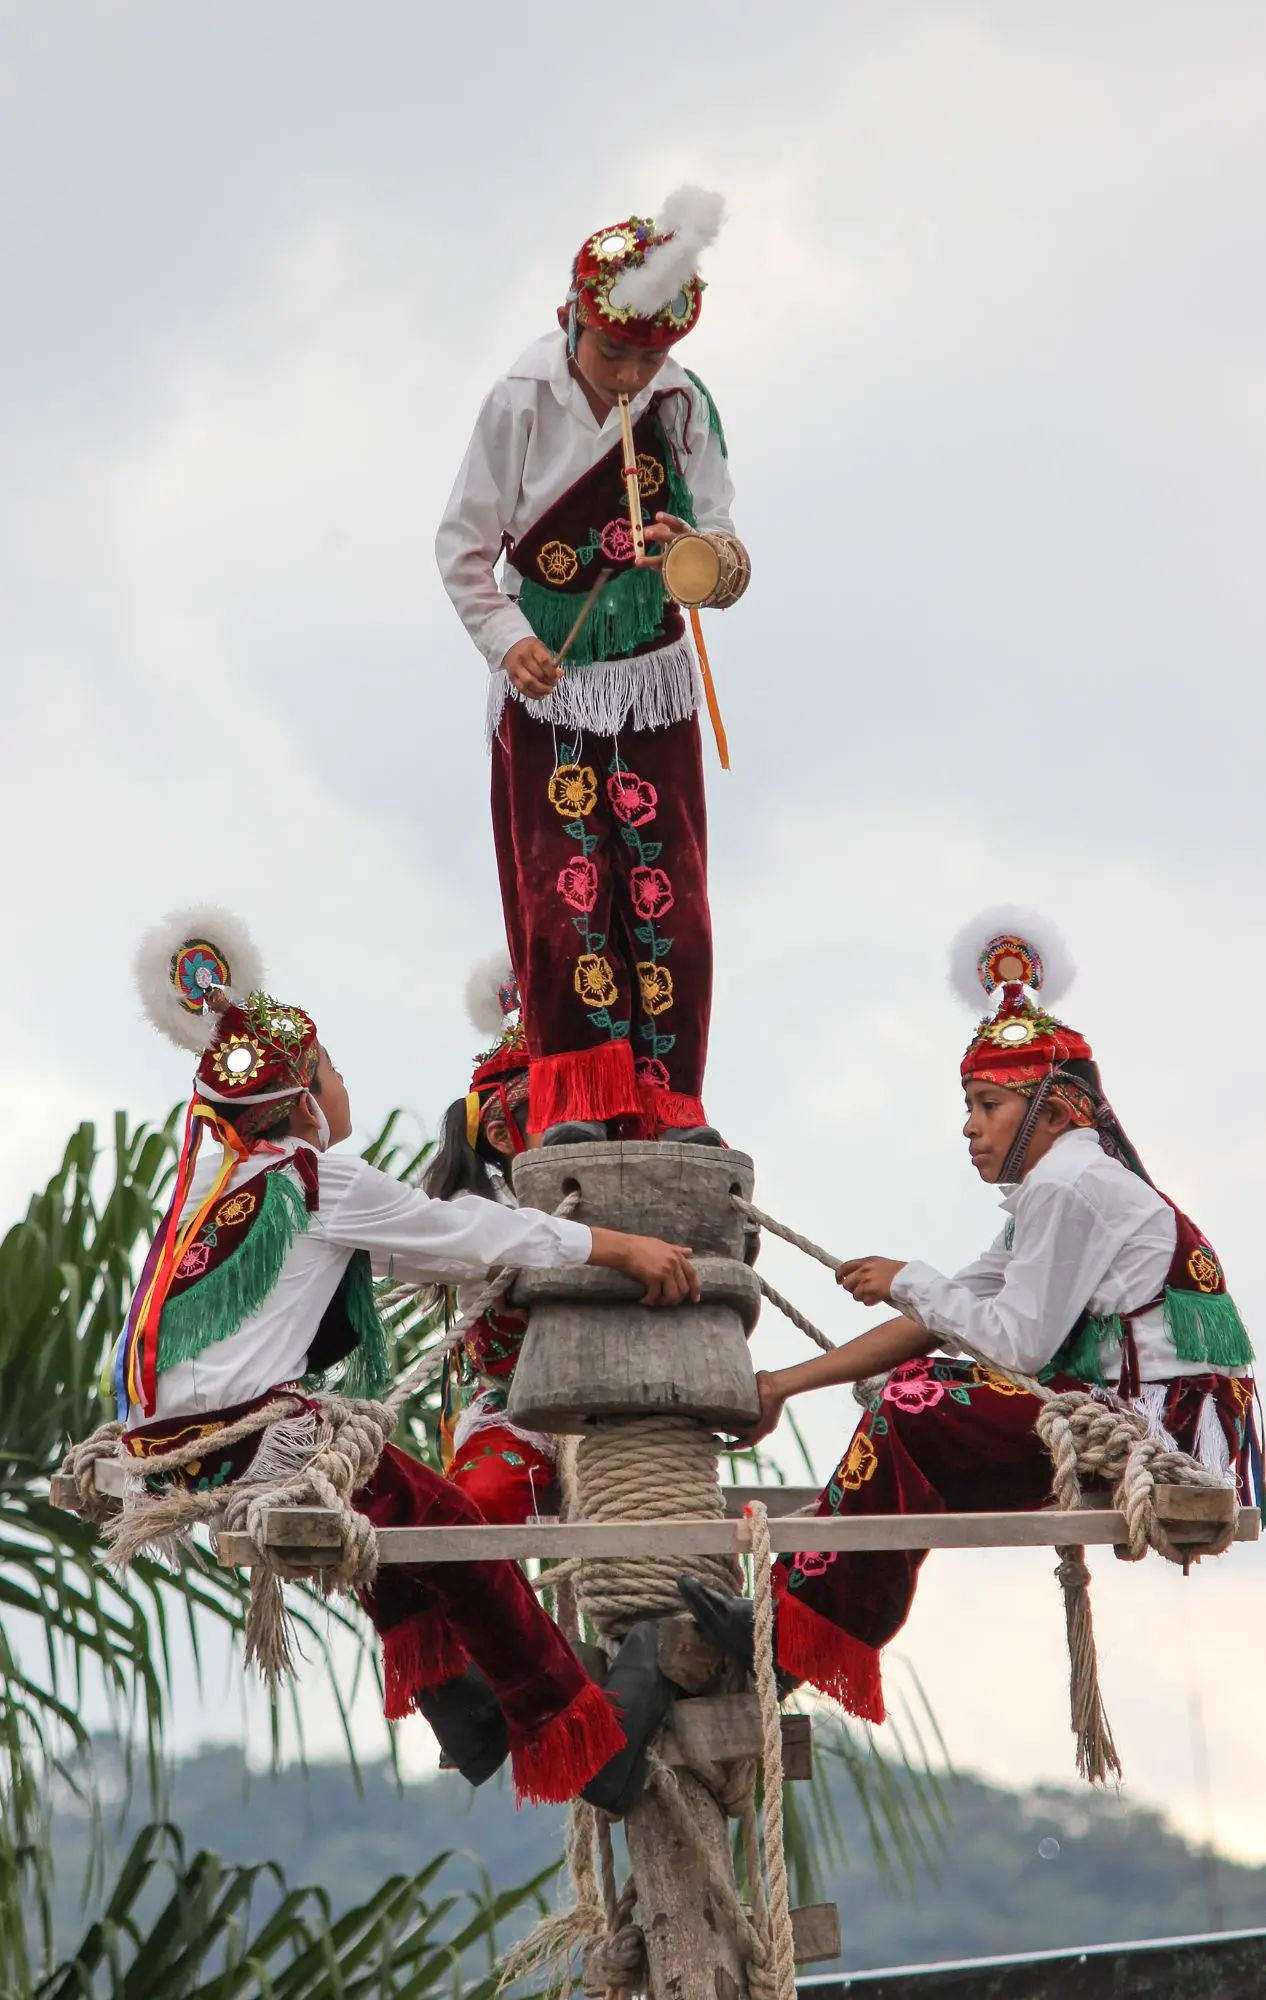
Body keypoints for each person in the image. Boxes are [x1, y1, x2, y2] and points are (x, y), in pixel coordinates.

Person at [118, 909, 700, 1809]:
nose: (344, 1086)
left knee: (403, 1528)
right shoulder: (320, 1179)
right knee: (459, 1536)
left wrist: (507, 1244)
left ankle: (461, 1708)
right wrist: (619, 1247)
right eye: (335, 1070)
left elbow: (431, 1249)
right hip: (258, 1440)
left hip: (172, 1449)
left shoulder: (218, 1180)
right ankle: (585, 1745)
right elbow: (469, 1233)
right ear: (306, 1091)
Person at [678, 911, 1257, 1724]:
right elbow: (952, 1317)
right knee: (916, 1393)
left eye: (988, 1104)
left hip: (1163, 1430)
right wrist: (785, 1383)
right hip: (1136, 1411)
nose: (969, 1126)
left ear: (1055, 1114)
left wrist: (908, 1276)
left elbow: (1012, 1340)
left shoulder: (1067, 1186)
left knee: (916, 1402)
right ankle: (790, 1635)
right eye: (970, 1105)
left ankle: (789, 1631)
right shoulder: (1053, 1191)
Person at [436, 187, 750, 1147]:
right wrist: (509, 640)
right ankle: (578, 1105)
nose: (629, 374)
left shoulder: (683, 404)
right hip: (553, 690)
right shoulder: (520, 401)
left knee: (670, 903)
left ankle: (669, 1107)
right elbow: (462, 549)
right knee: (566, 898)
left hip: (652, 683)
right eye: (613, 352)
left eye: (648, 357)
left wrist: (697, 558)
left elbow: (728, 560)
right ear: (571, 320)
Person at [424, 952, 556, 1523]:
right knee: (472, 1515)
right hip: (519, 1415)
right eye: (563, 1112)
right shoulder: (477, 1218)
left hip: (632, 1411)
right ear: (502, 1133)